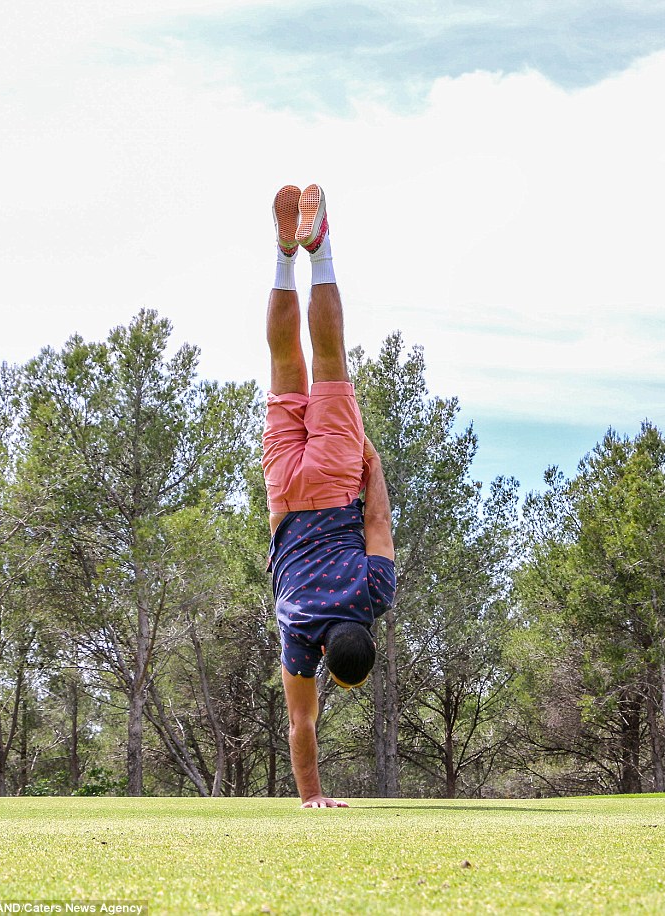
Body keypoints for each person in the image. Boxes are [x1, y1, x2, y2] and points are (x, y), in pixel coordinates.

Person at [262, 184, 397, 808]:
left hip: (340, 480)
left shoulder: (374, 595)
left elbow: (378, 524)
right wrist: (312, 796)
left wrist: (374, 466)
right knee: (286, 361)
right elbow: (301, 727)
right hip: (286, 494)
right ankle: (283, 256)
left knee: (331, 354)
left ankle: (318, 251)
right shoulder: (297, 633)